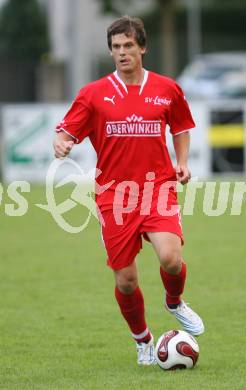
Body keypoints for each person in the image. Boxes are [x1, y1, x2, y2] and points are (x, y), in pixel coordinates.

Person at [53, 15, 204, 366]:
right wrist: (61, 144)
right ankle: (143, 341)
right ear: (111, 51)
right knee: (126, 280)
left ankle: (174, 301)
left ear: (142, 48)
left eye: (128, 46)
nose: (122, 53)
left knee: (170, 257)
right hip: (114, 197)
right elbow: (65, 132)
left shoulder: (167, 88)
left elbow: (181, 128)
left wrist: (181, 162)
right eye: (116, 47)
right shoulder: (92, 94)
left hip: (157, 188)